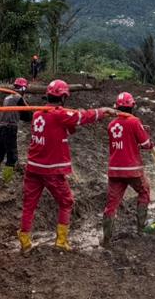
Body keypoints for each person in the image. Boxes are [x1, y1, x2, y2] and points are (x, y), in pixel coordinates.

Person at [17, 78, 109, 254]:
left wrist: (72, 118)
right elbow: (83, 117)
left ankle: (25, 240)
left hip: (33, 167)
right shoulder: (59, 115)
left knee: (29, 204)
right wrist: (102, 111)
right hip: (51, 169)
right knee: (66, 202)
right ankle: (61, 241)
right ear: (64, 97)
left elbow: (68, 126)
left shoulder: (38, 113)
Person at [103, 92, 155, 247]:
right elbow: (146, 144)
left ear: (117, 107)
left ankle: (106, 240)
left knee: (111, 204)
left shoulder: (111, 125)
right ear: (132, 106)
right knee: (144, 191)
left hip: (115, 170)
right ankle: (141, 228)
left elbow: (125, 142)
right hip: (132, 170)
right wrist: (148, 141)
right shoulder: (134, 121)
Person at [0, 77, 30, 184]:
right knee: (12, 157)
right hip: (10, 129)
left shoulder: (7, 98)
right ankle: (6, 181)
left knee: (0, 153)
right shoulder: (19, 98)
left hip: (0, 128)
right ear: (23, 88)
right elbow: (28, 116)